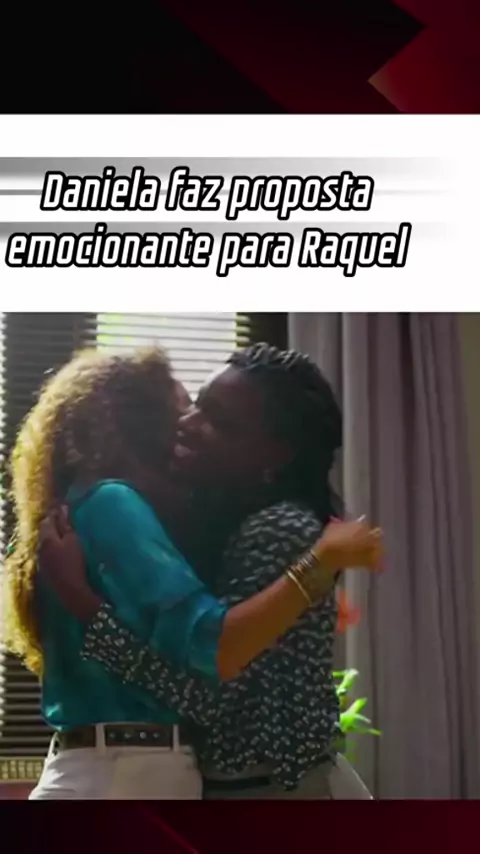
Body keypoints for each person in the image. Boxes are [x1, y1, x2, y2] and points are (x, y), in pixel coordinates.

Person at [33, 343, 383, 799]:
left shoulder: (278, 530)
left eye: (220, 423)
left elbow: (204, 697)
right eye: (197, 404)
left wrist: (81, 602)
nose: (189, 423)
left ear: (275, 455)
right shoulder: (211, 522)